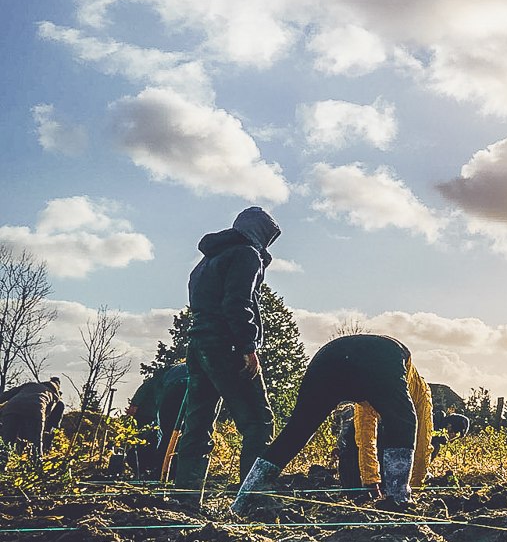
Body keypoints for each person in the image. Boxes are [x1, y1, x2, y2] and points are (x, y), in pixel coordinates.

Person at [234, 333, 431, 513]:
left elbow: (365, 434)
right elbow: (419, 441)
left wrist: (371, 480)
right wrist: (411, 488)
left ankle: (242, 501)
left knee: (297, 430)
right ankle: (398, 501)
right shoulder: (419, 391)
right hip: (380, 357)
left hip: (330, 355)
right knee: (403, 421)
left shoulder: (372, 396)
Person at [170, 206, 280, 503]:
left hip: (198, 345)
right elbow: (238, 302)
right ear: (260, 234)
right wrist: (248, 347)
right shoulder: (247, 254)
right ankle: (251, 500)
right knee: (258, 421)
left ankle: (186, 498)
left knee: (199, 422)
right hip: (227, 346)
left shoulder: (205, 262)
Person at [126, 363, 189, 479]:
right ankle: (178, 472)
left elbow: (147, 388)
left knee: (166, 434)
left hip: (175, 388)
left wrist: (135, 403)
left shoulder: (161, 377)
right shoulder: (181, 369)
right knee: (185, 433)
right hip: (195, 386)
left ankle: (161, 472)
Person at [0, 377, 65, 461]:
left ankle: (2, 464)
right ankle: (36, 465)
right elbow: (48, 414)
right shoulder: (54, 395)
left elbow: (5, 396)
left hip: (11, 409)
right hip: (35, 410)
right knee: (36, 442)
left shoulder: (29, 385)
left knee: (8, 440)